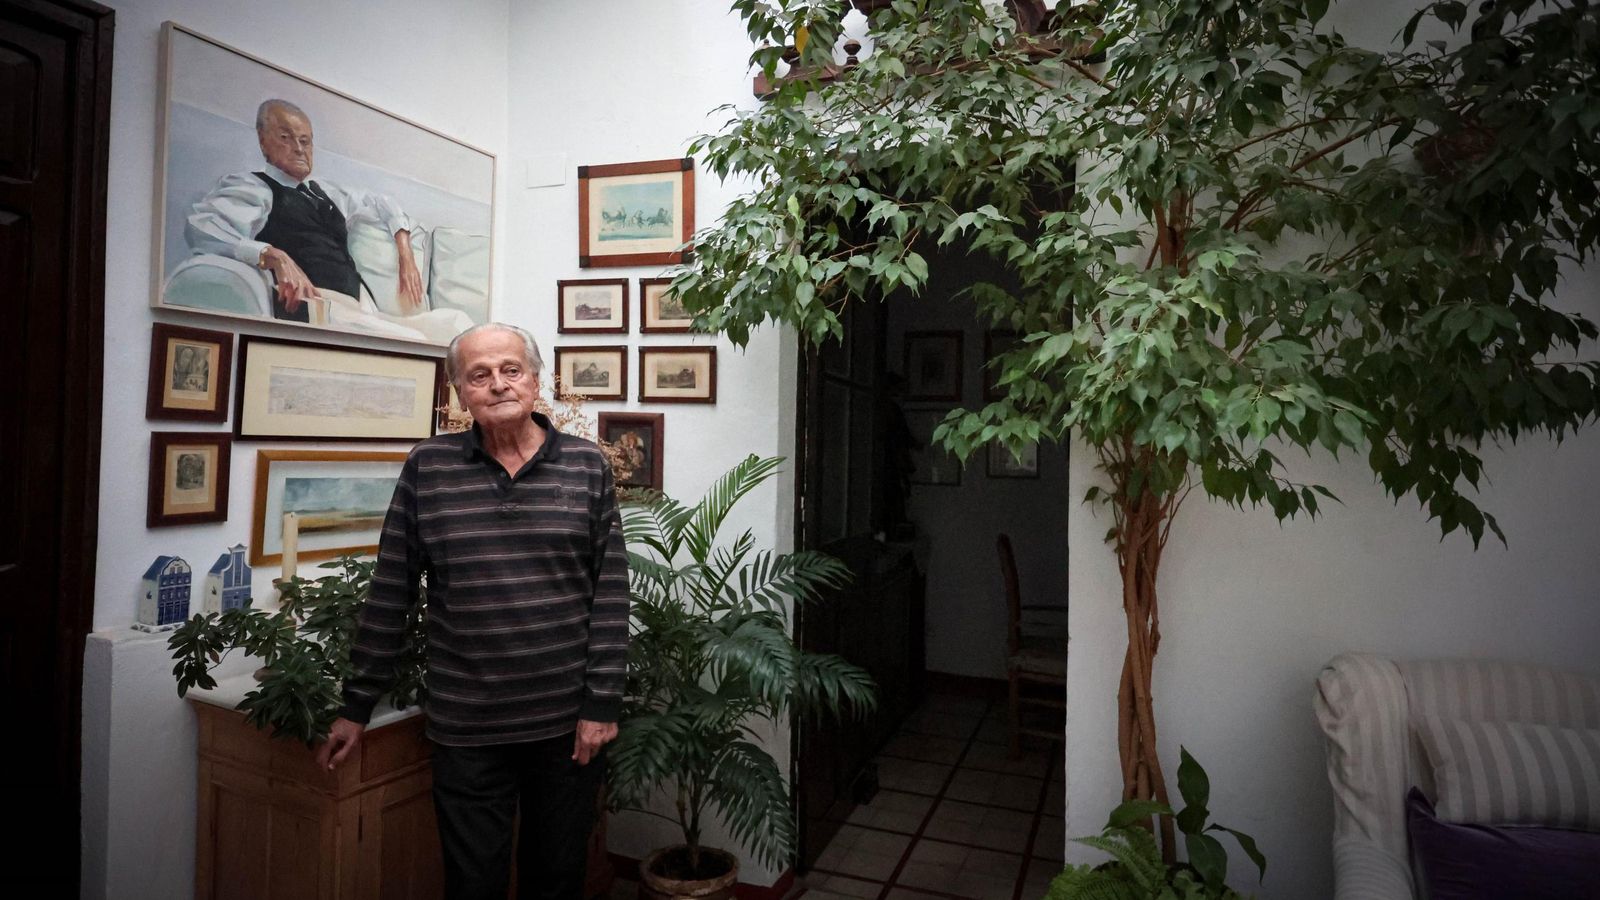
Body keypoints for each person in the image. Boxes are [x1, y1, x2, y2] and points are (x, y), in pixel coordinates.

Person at [315, 323, 629, 900]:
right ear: (460, 393)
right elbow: (392, 588)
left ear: (535, 380)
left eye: (511, 370)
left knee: (557, 881)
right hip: (467, 727)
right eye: (479, 375)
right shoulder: (428, 467)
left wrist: (602, 703)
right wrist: (357, 704)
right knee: (471, 884)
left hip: (565, 726)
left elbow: (610, 592)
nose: (498, 384)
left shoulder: (586, 465)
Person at [184, 98, 425, 323]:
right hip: (317, 308)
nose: (299, 149)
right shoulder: (253, 187)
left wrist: (406, 255)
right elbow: (203, 227)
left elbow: (383, 202)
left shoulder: (327, 192)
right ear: (263, 141)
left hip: (361, 309)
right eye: (285, 137)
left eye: (305, 141)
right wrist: (271, 255)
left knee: (442, 323)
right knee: (414, 341)